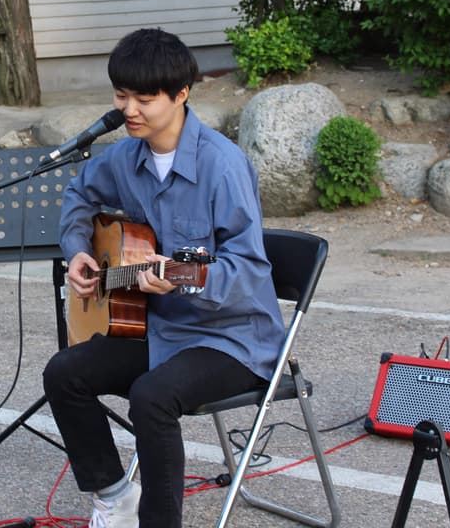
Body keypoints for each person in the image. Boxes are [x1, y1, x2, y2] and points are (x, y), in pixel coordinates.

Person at [42, 28, 286, 528]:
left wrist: (179, 274)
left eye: (144, 98)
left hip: (232, 338)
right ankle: (114, 494)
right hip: (161, 330)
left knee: (151, 396)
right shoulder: (124, 159)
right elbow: (77, 196)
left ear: (181, 94)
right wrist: (79, 251)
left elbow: (249, 271)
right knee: (64, 372)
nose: (129, 109)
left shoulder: (223, 166)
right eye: (121, 95)